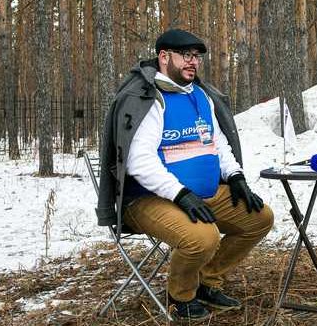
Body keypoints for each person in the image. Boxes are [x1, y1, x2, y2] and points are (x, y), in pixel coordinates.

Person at [96, 28, 274, 321]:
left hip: (203, 194)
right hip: (148, 199)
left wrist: (235, 176)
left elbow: (216, 143)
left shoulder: (201, 96)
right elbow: (139, 161)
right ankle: (179, 296)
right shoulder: (148, 98)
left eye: (197, 57)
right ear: (164, 57)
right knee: (203, 238)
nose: (193, 62)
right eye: (185, 55)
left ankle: (207, 280)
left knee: (260, 218)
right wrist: (181, 194)